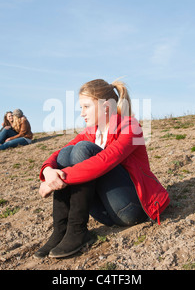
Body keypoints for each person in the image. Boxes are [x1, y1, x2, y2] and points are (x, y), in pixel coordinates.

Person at [35, 79, 170, 259]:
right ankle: (62, 230)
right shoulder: (92, 132)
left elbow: (104, 161)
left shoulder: (131, 126)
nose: (81, 113)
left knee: (83, 150)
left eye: (86, 107)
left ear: (106, 106)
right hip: (107, 213)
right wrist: (47, 172)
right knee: (66, 154)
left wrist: (58, 181)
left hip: (133, 209)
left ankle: (77, 229)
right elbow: (58, 155)